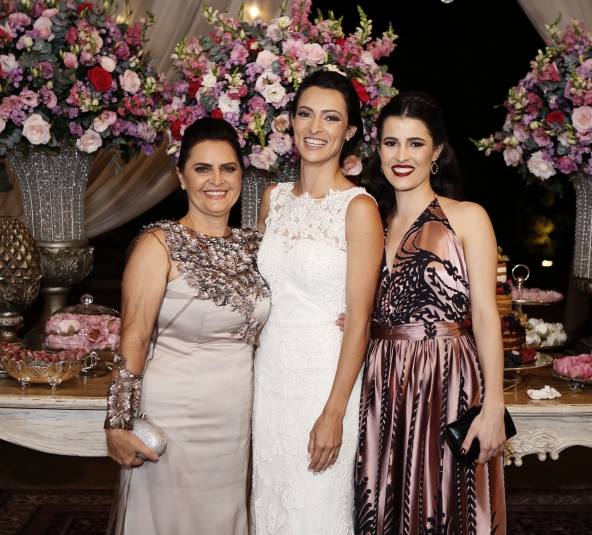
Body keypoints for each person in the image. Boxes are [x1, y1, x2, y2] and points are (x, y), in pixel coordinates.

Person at [104, 117, 271, 535]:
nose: (217, 180)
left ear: (241, 175)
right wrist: (117, 422)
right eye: (202, 169)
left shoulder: (257, 247)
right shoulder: (158, 244)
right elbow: (134, 336)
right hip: (174, 414)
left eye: (228, 168)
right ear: (181, 177)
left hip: (235, 415)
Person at [355, 92, 508, 535]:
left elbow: (486, 314)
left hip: (448, 377)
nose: (401, 156)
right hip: (381, 380)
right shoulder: (370, 221)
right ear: (378, 149)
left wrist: (493, 405)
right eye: (391, 143)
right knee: (382, 503)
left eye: (415, 143)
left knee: (446, 505)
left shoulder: (467, 217)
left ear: (437, 150)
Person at [251, 70, 383, 534]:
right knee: (269, 506)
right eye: (305, 114)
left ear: (349, 132)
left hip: (324, 380)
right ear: (290, 121)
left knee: (314, 512)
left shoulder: (359, 208)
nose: (315, 128)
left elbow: (359, 320)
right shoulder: (273, 199)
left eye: (331, 118)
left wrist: (334, 412)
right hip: (269, 376)